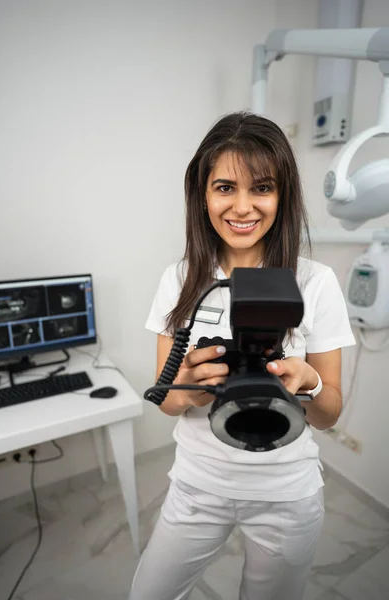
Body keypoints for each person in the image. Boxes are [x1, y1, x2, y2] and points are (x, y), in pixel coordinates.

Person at [129, 112, 355, 600]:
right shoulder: (181, 278)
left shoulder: (315, 283)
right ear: (203, 195)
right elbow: (166, 400)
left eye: (262, 187)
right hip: (197, 486)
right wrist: (186, 386)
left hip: (286, 494)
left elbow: (329, 412)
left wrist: (309, 381)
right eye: (225, 187)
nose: (243, 207)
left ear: (283, 195)